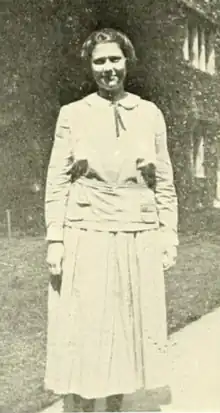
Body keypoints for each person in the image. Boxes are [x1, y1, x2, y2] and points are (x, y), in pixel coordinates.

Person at [44, 28, 178, 412]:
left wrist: (169, 234)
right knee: (87, 332)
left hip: (137, 236)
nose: (108, 69)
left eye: (114, 59)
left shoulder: (149, 114)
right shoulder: (72, 115)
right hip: (87, 234)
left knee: (125, 334)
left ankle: (115, 408)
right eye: (99, 61)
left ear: (127, 61)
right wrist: (56, 238)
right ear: (90, 67)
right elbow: (57, 181)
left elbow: (164, 182)